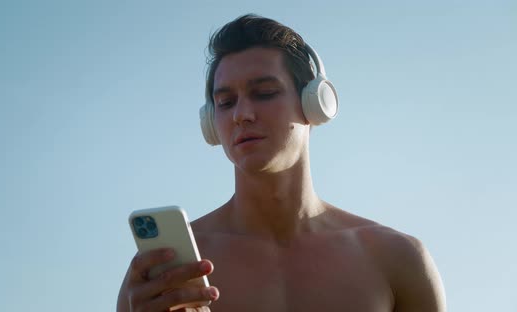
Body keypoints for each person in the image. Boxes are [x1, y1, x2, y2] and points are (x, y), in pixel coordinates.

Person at [117, 14, 446, 312]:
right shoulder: (168, 272)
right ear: (211, 124)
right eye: (226, 102)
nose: (242, 115)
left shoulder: (395, 259)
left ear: (313, 104)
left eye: (264, 93)